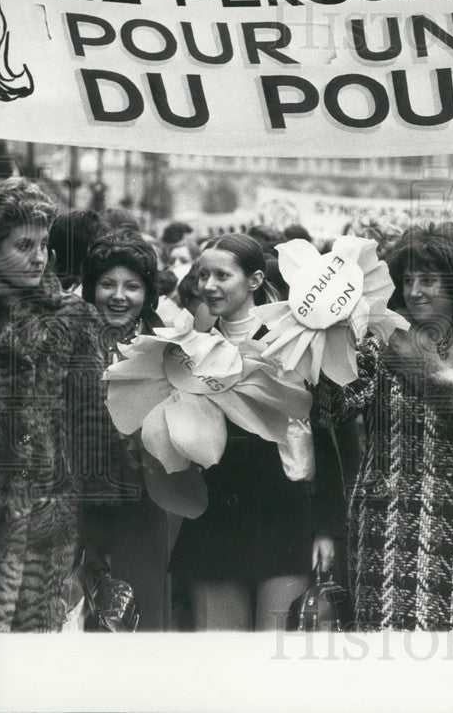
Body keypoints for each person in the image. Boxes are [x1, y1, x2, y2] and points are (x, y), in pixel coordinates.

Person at [311, 222, 453, 631]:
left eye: (429, 280)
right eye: (408, 280)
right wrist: (330, 343)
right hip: (386, 522)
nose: (415, 291)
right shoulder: (379, 348)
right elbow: (335, 412)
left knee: (450, 660)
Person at [168, 233, 344, 631]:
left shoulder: (292, 340)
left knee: (275, 651)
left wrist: (326, 529)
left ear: (254, 280)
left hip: (283, 514)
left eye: (222, 276)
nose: (208, 286)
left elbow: (322, 434)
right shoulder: (189, 346)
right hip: (216, 516)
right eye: (202, 275)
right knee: (221, 656)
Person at [0, 178, 118, 631]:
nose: (39, 256)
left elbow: (93, 424)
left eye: (44, 244)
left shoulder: (76, 317)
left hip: (47, 518)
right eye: (23, 244)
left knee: (28, 648)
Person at [79, 229, 182, 630]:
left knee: (141, 609)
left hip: (145, 499)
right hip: (80, 498)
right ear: (91, 289)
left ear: (148, 294)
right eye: (107, 284)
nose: (119, 295)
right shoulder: (69, 339)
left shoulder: (167, 347)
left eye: (132, 286)